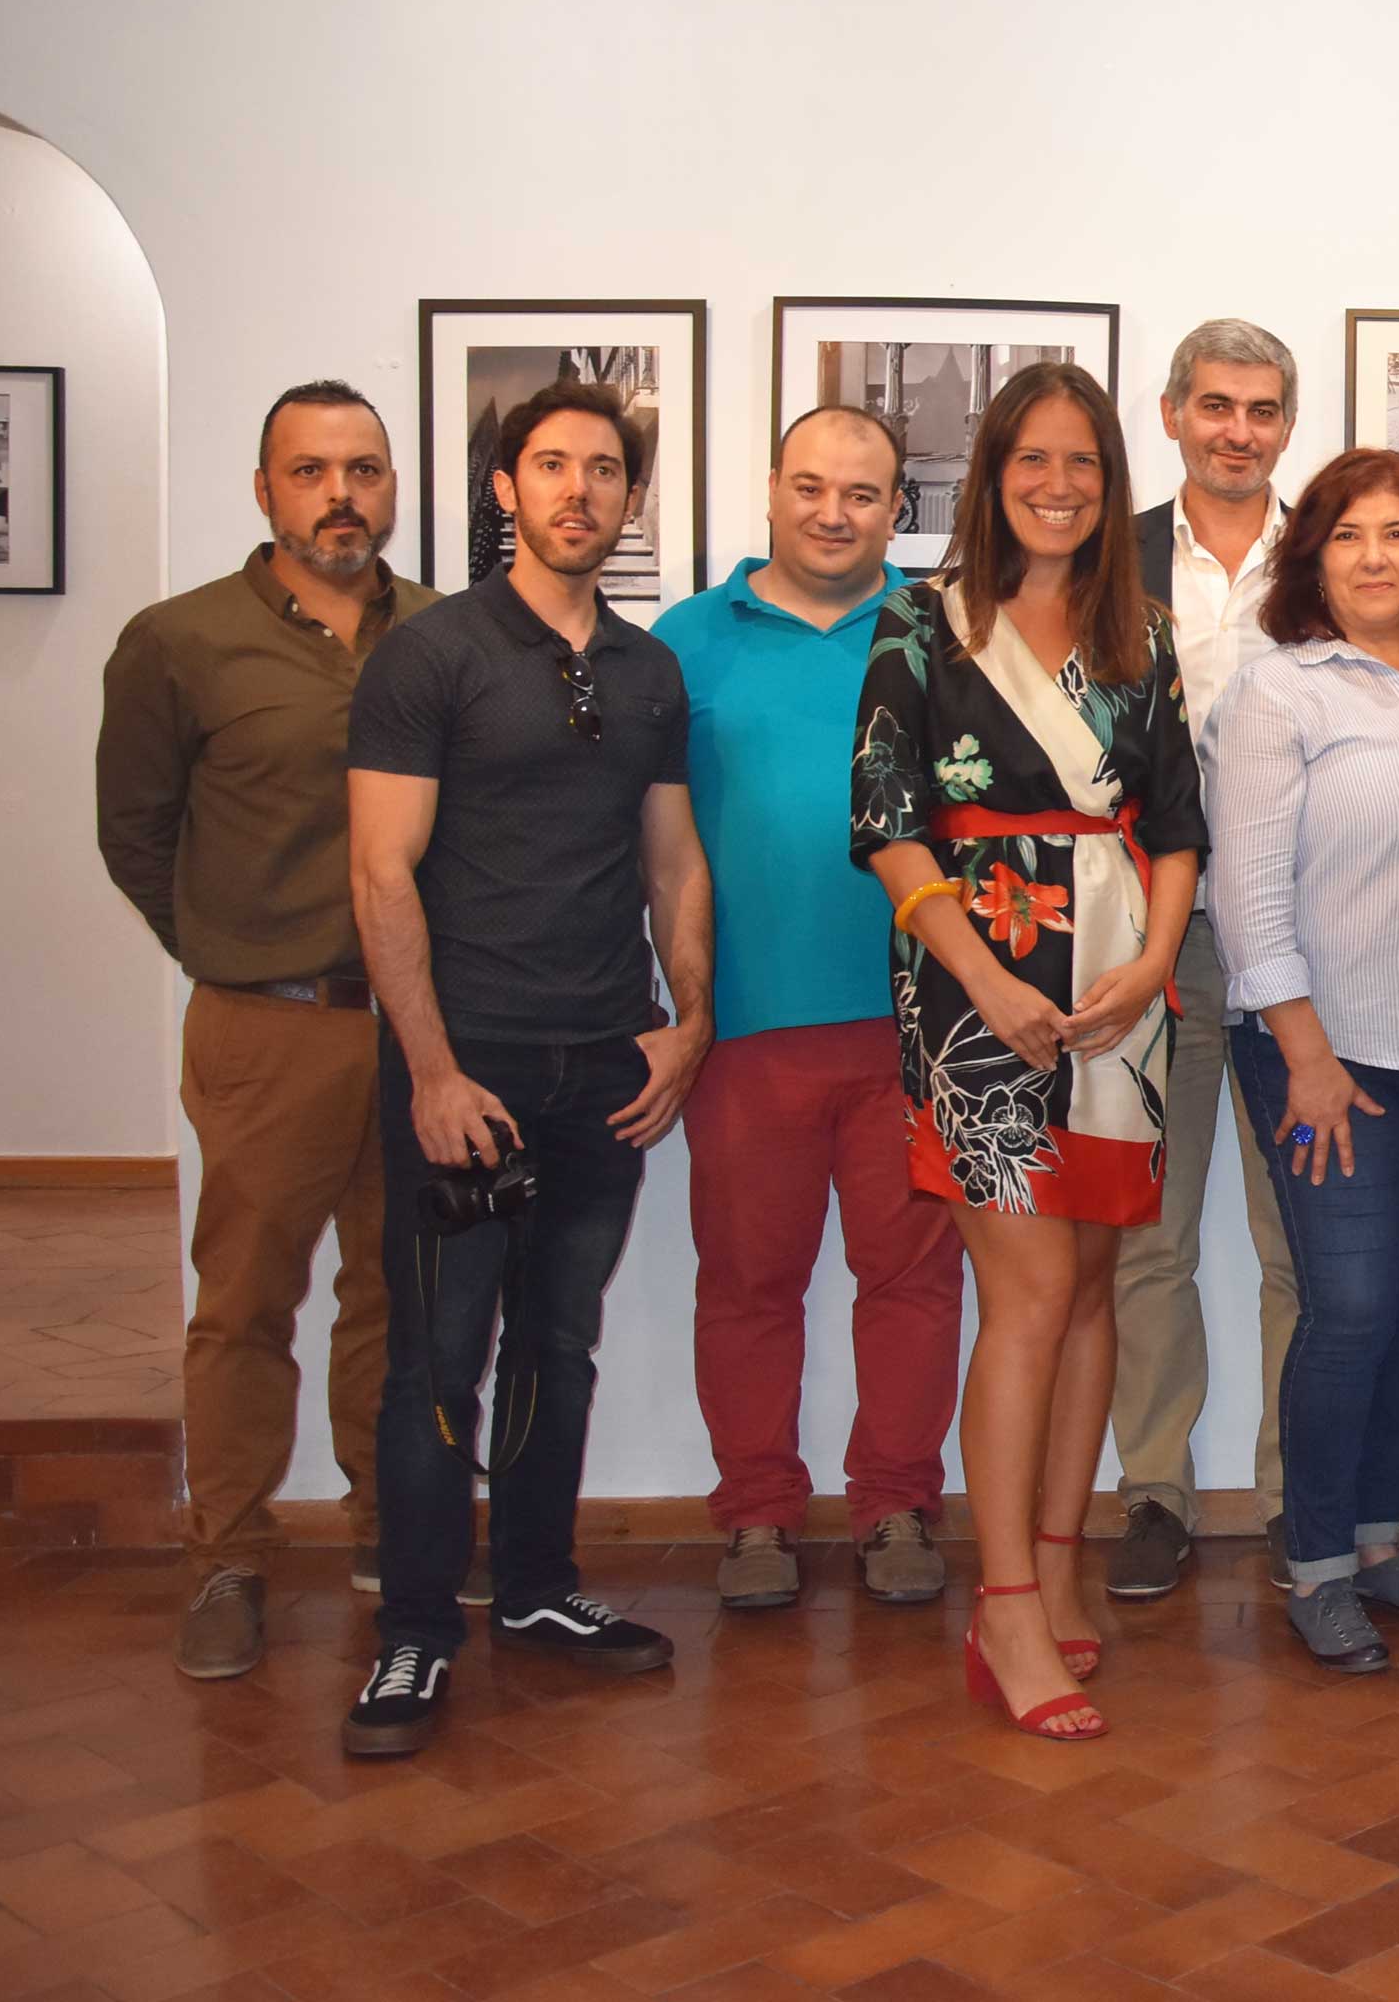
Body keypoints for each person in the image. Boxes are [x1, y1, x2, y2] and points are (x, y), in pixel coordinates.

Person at [341, 381, 712, 1759]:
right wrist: (429, 1070)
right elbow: (380, 875)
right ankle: (416, 1633)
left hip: (602, 1061)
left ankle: (540, 1590)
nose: (577, 489)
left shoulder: (647, 669)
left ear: (628, 498)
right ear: (503, 486)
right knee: (440, 1358)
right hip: (468, 1065)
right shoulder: (430, 655)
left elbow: (673, 860)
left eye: (604, 470)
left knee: (561, 1339)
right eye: (550, 464)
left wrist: (689, 1024)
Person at [853, 360, 1205, 1742]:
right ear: (991, 477)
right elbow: (887, 823)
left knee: (1097, 1286)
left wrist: (1155, 964)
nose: (1057, 486)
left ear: (1110, 486)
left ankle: (1058, 1570)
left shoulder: (1145, 632)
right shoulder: (919, 622)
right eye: (1030, 463)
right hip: (973, 988)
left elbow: (1175, 823)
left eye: (1083, 465)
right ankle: (1002, 1604)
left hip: (1120, 986)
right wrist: (986, 981)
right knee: (1028, 1291)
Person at [98, 380, 438, 1680]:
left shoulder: (448, 633)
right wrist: (222, 950)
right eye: (310, 470)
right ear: (264, 491)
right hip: (268, 1025)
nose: (339, 494)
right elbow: (134, 832)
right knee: (242, 1302)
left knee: (398, 1297)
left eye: (362, 469)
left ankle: (384, 1533)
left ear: (392, 487)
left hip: (417, 1026)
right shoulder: (178, 643)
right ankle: (230, 1555)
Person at [1203, 448, 1399, 1674]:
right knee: (1343, 1310)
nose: (1376, 558)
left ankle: (1382, 1543)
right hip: (1322, 1053)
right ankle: (1319, 1560)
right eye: (1348, 538)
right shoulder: (1278, 694)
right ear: (1313, 560)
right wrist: (1306, 1058)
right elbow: (1248, 897)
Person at [652, 404, 958, 1615]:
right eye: (812, 487)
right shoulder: (681, 643)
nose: (835, 513)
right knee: (745, 1286)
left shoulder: (945, 637)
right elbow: (649, 840)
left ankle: (896, 1505)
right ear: (771, 488)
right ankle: (757, 1518)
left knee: (916, 1287)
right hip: (742, 1030)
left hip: (915, 1028)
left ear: (899, 510)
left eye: (864, 494)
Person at [1106, 320, 1306, 1601]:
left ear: (1288, 425)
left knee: (1302, 1247)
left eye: (1264, 409)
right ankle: (1156, 1493)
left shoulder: (1335, 554)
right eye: (1216, 406)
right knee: (1149, 1244)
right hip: (1150, 945)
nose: (1240, 429)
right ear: (1172, 413)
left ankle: (1302, 1494)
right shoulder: (1106, 560)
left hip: (1300, 950)